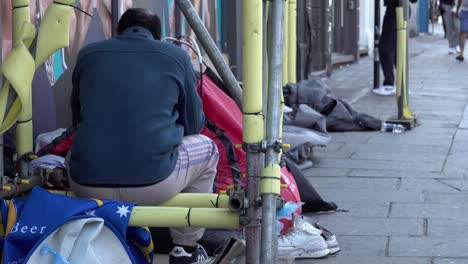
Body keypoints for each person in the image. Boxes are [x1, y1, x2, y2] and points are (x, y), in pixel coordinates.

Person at [68, 8, 219, 264]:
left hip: (86, 184)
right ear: (157, 37)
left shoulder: (88, 54)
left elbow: (76, 120)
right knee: (208, 148)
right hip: (154, 183)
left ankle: (107, 241)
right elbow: (195, 125)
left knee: (77, 149)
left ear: (118, 32)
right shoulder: (175, 55)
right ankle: (186, 249)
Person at [373, 0, 418, 96]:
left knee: (385, 48)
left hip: (397, 10)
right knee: (397, 50)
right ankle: (401, 84)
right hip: (399, 9)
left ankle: (389, 84)